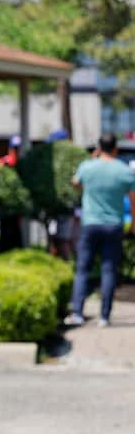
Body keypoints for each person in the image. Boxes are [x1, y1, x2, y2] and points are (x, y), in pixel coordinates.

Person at [65, 133, 135, 327]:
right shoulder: (124, 171)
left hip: (90, 224)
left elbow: (75, 183)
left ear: (99, 147)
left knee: (82, 269)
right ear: (115, 149)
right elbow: (133, 200)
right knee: (109, 270)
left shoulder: (88, 167)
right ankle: (104, 316)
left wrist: (91, 159)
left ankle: (78, 312)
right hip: (114, 225)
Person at [0, 135, 24, 253]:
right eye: (14, 148)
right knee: (5, 231)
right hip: (5, 205)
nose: (16, 151)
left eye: (18, 148)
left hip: (17, 207)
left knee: (16, 233)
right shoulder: (3, 163)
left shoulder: (22, 163)